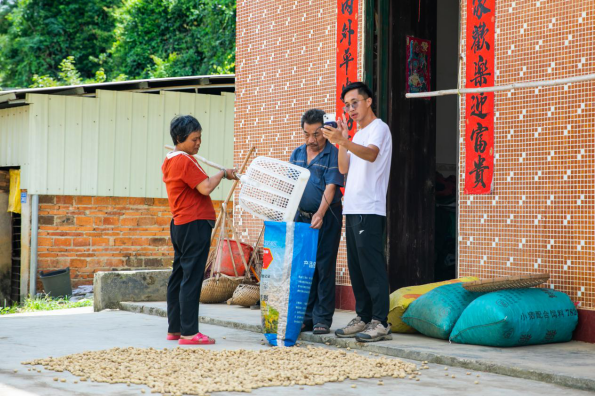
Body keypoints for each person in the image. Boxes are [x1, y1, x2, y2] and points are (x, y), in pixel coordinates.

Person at [323, 82, 393, 343]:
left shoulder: (379, 129)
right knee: (357, 267)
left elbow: (372, 156)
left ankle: (380, 322)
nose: (351, 109)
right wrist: (342, 141)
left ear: (369, 101)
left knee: (371, 266)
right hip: (352, 208)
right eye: (347, 105)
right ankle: (363, 317)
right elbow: (343, 169)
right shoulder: (357, 134)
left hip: (370, 208)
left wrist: (344, 140)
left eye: (355, 103)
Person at [162, 115, 237, 345]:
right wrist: (223, 173)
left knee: (179, 276)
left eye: (200, 138)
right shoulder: (184, 160)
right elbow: (205, 187)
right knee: (192, 278)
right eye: (194, 139)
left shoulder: (170, 159)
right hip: (194, 224)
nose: (198, 143)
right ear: (179, 138)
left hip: (180, 224)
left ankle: (175, 328)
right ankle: (189, 332)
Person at [289, 109, 344, 335]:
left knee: (323, 266)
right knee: (305, 267)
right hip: (301, 217)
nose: (311, 140)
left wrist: (319, 213)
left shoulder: (333, 153)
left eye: (317, 135)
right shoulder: (297, 153)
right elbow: (291, 184)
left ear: (326, 131)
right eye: (307, 134)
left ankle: (322, 318)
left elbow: (331, 186)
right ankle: (306, 316)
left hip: (327, 216)